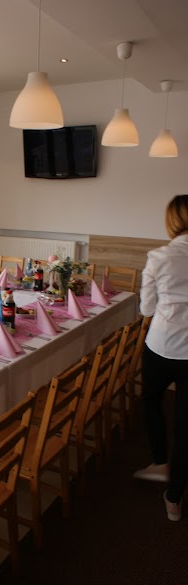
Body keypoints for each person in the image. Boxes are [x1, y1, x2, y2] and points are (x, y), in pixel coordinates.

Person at [133, 195, 188, 521]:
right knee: (186, 426)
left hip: (162, 345)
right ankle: (174, 498)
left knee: (151, 401)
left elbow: (147, 309)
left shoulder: (159, 257)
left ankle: (159, 461)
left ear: (172, 221)